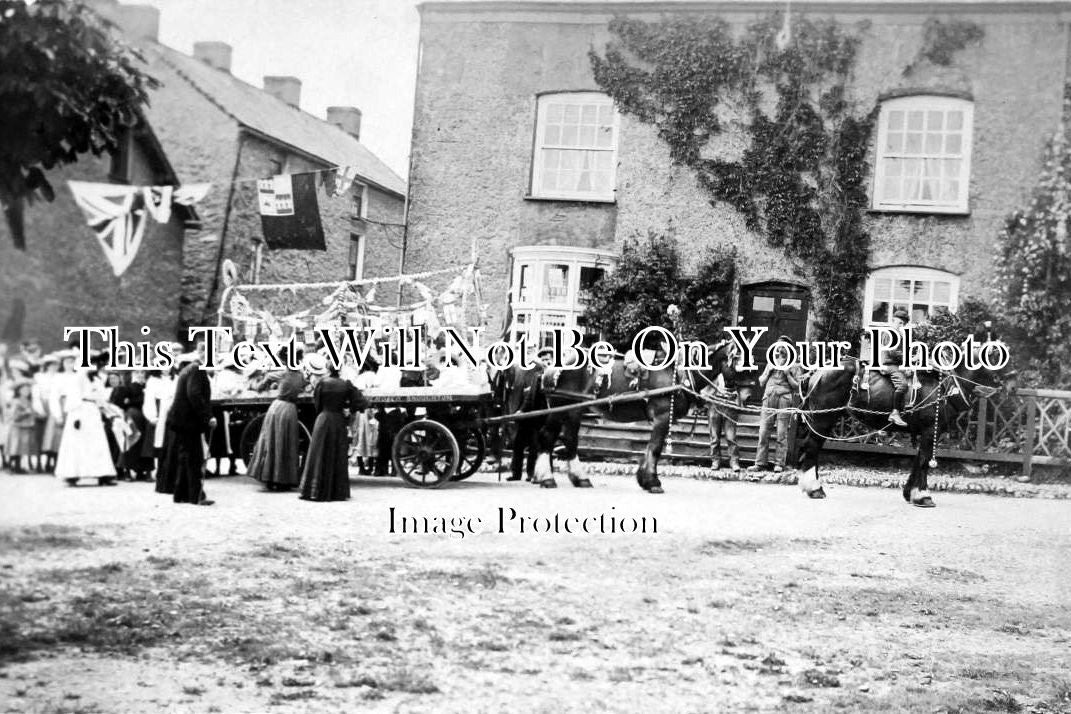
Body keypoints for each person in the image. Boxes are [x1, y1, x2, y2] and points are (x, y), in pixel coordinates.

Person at [299, 357, 367, 501]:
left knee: (319, 454)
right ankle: (337, 491)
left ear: (328, 369)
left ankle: (314, 491)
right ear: (340, 369)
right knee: (336, 454)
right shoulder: (346, 385)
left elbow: (317, 404)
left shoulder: (322, 384)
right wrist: (348, 409)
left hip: (323, 420)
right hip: (337, 421)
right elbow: (361, 402)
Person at [158, 342, 217, 505]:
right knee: (194, 458)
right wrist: (208, 417)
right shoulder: (197, 370)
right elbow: (195, 395)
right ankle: (195, 496)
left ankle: (181, 495)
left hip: (180, 421)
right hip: (187, 421)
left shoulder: (188, 369)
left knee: (185, 458)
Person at [246, 351, 307, 491]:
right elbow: (304, 386)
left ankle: (269, 477)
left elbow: (267, 378)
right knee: (287, 443)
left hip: (278, 408)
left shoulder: (283, 373)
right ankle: (284, 479)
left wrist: (258, 387)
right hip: (291, 410)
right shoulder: (301, 376)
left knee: (271, 442)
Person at [53, 355, 118, 486]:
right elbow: (74, 397)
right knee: (77, 443)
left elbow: (102, 396)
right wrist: (76, 417)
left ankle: (103, 474)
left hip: (93, 412)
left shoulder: (96, 380)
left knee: (98, 442)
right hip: (80, 411)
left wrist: (108, 411)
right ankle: (72, 475)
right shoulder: (77, 379)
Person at [747, 336, 802, 473]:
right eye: (778, 346)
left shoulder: (794, 365)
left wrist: (788, 375)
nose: (780, 349)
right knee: (763, 432)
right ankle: (760, 463)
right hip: (769, 398)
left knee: (781, 433)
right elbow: (761, 381)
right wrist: (769, 371)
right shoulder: (771, 362)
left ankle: (779, 464)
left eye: (783, 347)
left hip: (784, 399)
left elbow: (797, 387)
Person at [704, 341, 751, 473]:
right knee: (714, 436)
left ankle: (734, 461)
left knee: (731, 437)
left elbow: (743, 381)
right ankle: (715, 460)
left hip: (730, 403)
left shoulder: (738, 367)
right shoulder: (714, 365)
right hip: (715, 403)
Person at [507, 345, 549, 482]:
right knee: (518, 443)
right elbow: (515, 390)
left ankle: (531, 473)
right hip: (522, 411)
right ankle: (516, 473)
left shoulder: (539, 368)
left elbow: (533, 394)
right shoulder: (518, 368)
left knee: (534, 444)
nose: (528, 353)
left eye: (531, 350)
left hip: (536, 412)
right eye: (526, 350)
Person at [114, 370, 154, 481]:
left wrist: (131, 401)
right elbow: (121, 402)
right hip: (133, 416)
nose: (140, 375)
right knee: (130, 441)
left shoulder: (149, 385)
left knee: (146, 444)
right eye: (137, 373)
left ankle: (145, 471)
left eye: (142, 373)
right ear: (133, 374)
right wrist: (132, 401)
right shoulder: (128, 387)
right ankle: (127, 470)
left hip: (146, 416)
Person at [884, 309, 912, 427]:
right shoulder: (889, 333)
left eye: (903, 324)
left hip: (896, 364)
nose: (901, 325)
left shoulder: (898, 335)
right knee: (903, 385)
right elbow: (893, 352)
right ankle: (895, 413)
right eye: (899, 322)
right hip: (889, 364)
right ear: (893, 321)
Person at [5, 380, 36, 473]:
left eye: (28, 390)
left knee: (21, 447)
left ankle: (18, 466)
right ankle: (11, 466)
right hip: (17, 427)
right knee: (15, 446)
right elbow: (13, 416)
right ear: (19, 391)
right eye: (24, 390)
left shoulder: (28, 401)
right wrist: (25, 413)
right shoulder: (16, 401)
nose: (27, 392)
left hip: (25, 427)